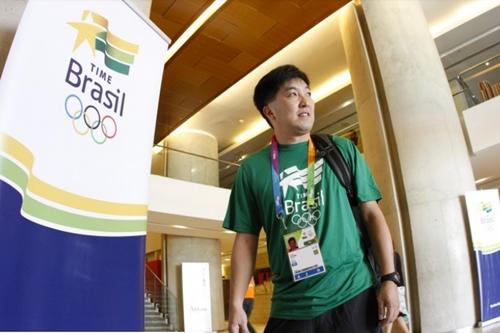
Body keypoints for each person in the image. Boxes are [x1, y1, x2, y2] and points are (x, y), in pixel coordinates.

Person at [223, 64, 399, 333]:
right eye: (293, 94)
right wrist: (236, 303)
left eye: (308, 92)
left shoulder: (341, 150)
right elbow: (245, 239)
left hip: (353, 295)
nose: (306, 101)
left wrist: (389, 278)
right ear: (270, 111)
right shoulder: (252, 170)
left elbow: (372, 214)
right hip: (291, 306)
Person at [385, 251, 410, 333]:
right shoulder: (396, 255)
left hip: (393, 285)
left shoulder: (388, 255)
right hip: (399, 285)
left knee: (391, 310)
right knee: (398, 312)